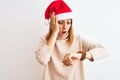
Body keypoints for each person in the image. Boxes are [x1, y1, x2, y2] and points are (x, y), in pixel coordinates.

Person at [35, 0, 107, 80]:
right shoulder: (45, 40)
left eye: (68, 22)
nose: (65, 27)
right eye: (60, 23)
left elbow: (103, 50)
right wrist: (55, 32)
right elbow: (42, 60)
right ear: (53, 23)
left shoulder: (78, 39)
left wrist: (81, 55)